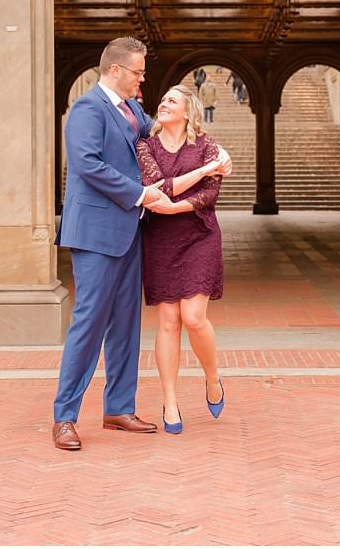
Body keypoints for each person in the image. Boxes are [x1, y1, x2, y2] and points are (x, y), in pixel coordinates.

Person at [50, 37, 231, 452]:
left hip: (132, 234)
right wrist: (142, 194)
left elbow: (176, 131)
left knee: (126, 325)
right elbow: (87, 164)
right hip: (96, 234)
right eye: (137, 72)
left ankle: (118, 407)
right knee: (89, 323)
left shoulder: (133, 111)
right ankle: (64, 416)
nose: (142, 79)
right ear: (115, 70)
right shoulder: (86, 109)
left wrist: (220, 154)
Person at [137, 84, 227, 434]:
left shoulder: (207, 146)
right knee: (169, 321)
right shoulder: (146, 146)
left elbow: (210, 194)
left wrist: (176, 206)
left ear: (188, 111)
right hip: (160, 240)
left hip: (199, 235)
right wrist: (203, 172)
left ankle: (212, 376)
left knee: (193, 317)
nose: (163, 104)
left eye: (172, 101)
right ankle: (170, 400)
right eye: (163, 100)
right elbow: (156, 184)